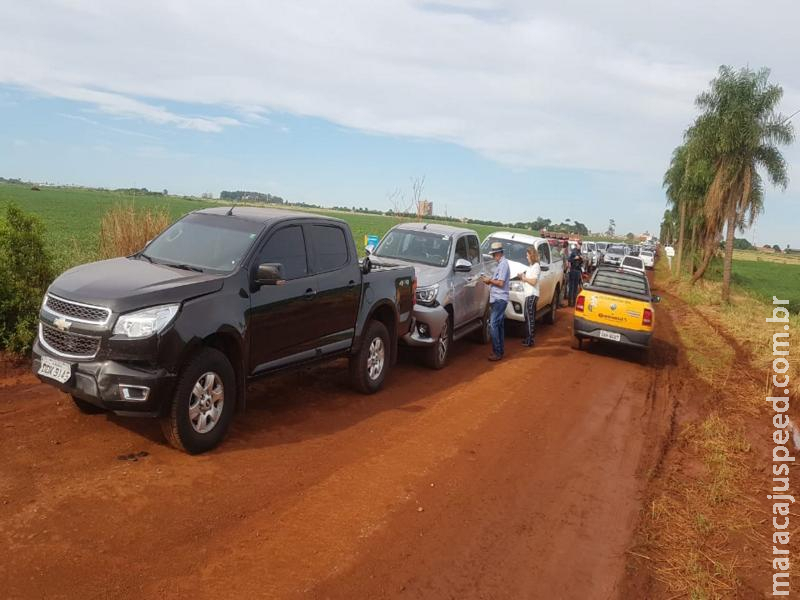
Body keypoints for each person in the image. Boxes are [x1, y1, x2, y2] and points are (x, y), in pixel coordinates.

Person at [480, 241, 510, 361]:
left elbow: (501, 283)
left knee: (493, 325)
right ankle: (500, 350)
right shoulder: (502, 264)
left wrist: (489, 281)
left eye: (493, 254)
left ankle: (497, 352)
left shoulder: (503, 265)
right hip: (499, 298)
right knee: (499, 325)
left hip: (499, 298)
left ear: (498, 253)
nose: (493, 257)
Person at [517, 246, 540, 347]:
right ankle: (528, 338)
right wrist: (522, 277)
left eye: (527, 255)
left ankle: (530, 339)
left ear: (531, 255)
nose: (526, 257)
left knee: (529, 317)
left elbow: (534, 281)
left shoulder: (536, 266)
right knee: (527, 316)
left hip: (532, 294)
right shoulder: (531, 267)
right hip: (529, 294)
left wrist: (524, 278)